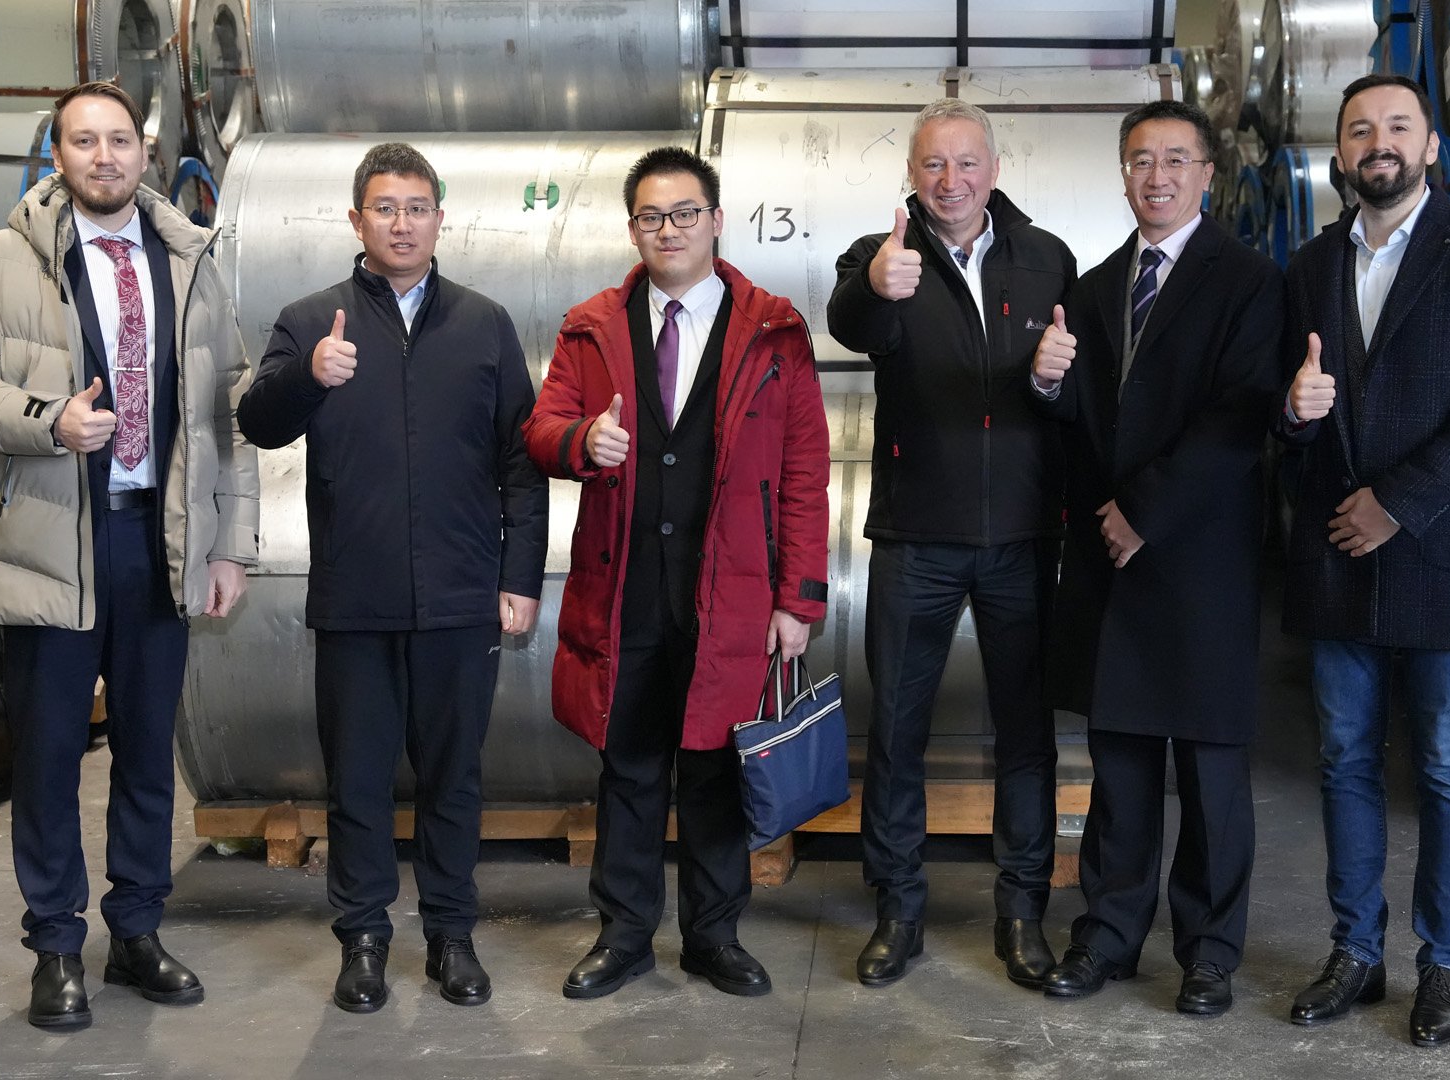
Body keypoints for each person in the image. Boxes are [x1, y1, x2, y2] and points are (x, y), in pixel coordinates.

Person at [0, 81, 258, 1031]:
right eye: (84, 141)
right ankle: (56, 946)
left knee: (149, 751)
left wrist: (228, 545)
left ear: (144, 152)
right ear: (58, 155)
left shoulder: (190, 259)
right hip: (50, 541)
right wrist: (48, 422)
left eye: (119, 140)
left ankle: (138, 930)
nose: (104, 156)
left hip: (160, 537)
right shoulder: (3, 258)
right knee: (48, 756)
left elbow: (227, 408)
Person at [236, 142, 548, 1013]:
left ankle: (452, 935)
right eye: (385, 207)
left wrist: (521, 573)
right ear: (356, 219)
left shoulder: (484, 324)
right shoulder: (312, 320)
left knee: (455, 779)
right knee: (359, 781)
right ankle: (364, 939)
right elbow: (257, 422)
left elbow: (521, 463)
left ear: (440, 219)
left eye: (416, 208)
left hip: (460, 597)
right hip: (355, 598)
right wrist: (309, 378)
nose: (402, 223)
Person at [522, 146, 828, 1001]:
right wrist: (583, 441)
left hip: (733, 590)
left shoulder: (773, 331)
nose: (670, 230)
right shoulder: (591, 327)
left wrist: (798, 598)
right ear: (633, 229)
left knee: (715, 768)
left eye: (686, 213)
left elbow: (805, 470)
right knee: (628, 763)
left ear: (716, 221)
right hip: (624, 585)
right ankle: (623, 935)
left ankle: (713, 936)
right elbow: (541, 428)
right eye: (652, 217)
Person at [1276, 74, 1450, 1047]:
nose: (1377, 142)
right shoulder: (1309, 266)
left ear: (1432, 147)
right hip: (1338, 552)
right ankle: (1355, 950)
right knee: (1344, 759)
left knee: (1446, 766)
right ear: (1341, 154)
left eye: (1398, 126)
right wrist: (1291, 413)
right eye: (1359, 130)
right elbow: (1286, 405)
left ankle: (1445, 964)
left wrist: (1399, 502)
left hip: (1442, 549)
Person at [1027, 100, 1282, 1014]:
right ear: (1123, 174)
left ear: (1209, 174)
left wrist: (1144, 511)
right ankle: (1107, 933)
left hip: (1200, 559)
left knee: (1211, 773)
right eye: (1142, 160)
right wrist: (1046, 386)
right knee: (1122, 765)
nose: (1158, 176)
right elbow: (1085, 423)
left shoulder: (1250, 282)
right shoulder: (1098, 286)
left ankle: (1208, 952)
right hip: (1113, 561)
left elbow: (1240, 417)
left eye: (1177, 159)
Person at [826, 98, 1076, 989]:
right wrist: (874, 287)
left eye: (967, 163)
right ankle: (898, 910)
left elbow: (1071, 386)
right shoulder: (880, 255)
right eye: (933, 164)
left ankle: (1022, 912)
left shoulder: (1046, 258)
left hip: (1021, 534)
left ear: (995, 171)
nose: (951, 180)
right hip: (916, 536)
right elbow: (853, 323)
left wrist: (1052, 385)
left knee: (1026, 734)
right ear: (912, 174)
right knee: (897, 731)